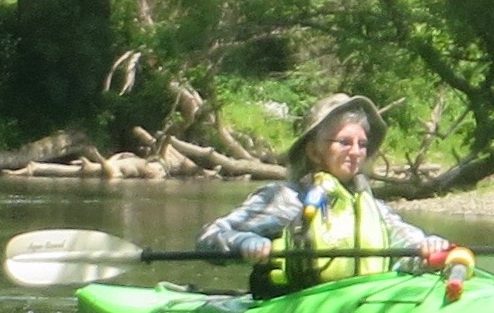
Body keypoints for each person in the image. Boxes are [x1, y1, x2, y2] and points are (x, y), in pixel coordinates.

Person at [195, 96, 466, 293]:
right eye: (344, 142)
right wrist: (243, 241)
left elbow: (408, 244)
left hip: (357, 304)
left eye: (362, 144)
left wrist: (430, 247)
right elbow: (210, 238)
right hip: (287, 308)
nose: (356, 151)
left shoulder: (372, 206)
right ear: (313, 152)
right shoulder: (285, 199)